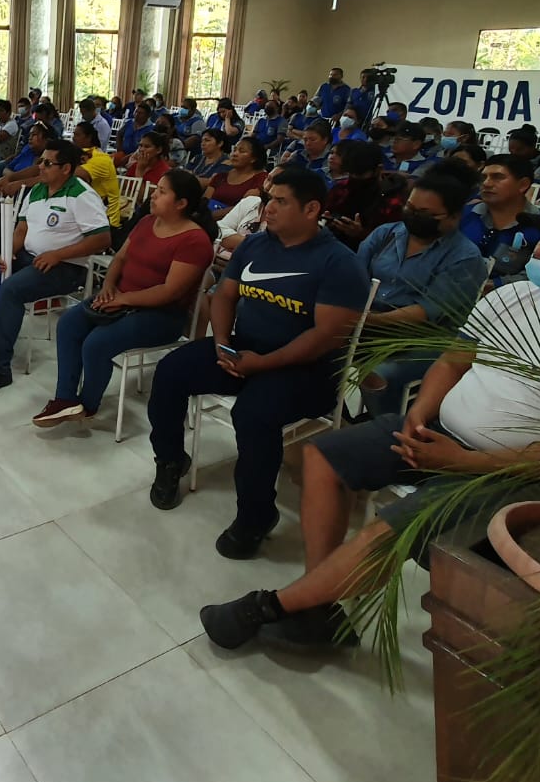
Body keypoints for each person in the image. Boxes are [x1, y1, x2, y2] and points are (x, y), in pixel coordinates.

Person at [199, 200, 540, 652]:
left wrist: (466, 461)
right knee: (324, 457)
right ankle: (320, 605)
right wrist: (420, 414)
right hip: (441, 430)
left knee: (390, 528)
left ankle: (270, 607)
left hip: (515, 473)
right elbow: (453, 361)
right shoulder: (513, 296)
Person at [145, 169, 371, 558]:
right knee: (171, 372)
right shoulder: (255, 246)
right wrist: (221, 344)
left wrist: (262, 364)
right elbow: (224, 296)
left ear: (312, 208)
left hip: (307, 370)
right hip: (243, 351)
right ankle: (170, 460)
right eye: (268, 200)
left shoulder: (339, 263)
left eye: (281, 201)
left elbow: (325, 337)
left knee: (253, 415)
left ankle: (256, 515)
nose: (268, 209)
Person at [32, 169, 217, 426]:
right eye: (156, 189)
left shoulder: (194, 241)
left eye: (162, 192)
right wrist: (108, 287)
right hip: (121, 300)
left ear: (181, 203)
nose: (153, 195)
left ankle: (87, 405)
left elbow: (169, 291)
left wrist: (122, 300)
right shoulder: (146, 223)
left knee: (96, 343)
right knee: (69, 324)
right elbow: (119, 258)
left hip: (161, 315)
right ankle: (65, 399)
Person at [0, 139, 111, 393]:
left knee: (11, 290)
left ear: (66, 168)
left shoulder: (81, 195)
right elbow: (22, 228)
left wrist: (57, 254)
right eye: (40, 161)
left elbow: (101, 239)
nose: (40, 167)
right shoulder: (38, 190)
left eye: (47, 163)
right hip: (29, 255)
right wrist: (8, 252)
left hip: (65, 266)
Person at [353, 168, 487, 416]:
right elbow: (353, 279)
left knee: (379, 374)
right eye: (410, 208)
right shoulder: (386, 234)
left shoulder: (464, 257)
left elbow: (426, 311)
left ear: (454, 217)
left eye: (424, 214)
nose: (413, 216)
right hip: (366, 324)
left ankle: (387, 428)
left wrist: (367, 321)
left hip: (422, 337)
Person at [460, 154, 540, 286]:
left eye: (498, 177)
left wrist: (496, 285)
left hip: (509, 299)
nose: (486, 183)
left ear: (523, 185)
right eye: (483, 177)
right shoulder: (464, 214)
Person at [322, 140, 407, 248]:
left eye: (360, 175)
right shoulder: (341, 188)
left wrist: (361, 234)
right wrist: (328, 221)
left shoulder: (392, 201)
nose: (355, 179)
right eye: (351, 174)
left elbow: (393, 243)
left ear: (378, 170)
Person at [71, 122, 122, 226]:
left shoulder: (101, 159)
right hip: (87, 212)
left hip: (106, 219)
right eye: (73, 134)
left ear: (89, 137)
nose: (73, 138)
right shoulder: (80, 154)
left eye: (77, 135)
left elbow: (68, 174)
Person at [204, 137, 269, 209]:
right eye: (234, 150)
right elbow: (205, 201)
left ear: (254, 158)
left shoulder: (262, 179)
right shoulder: (220, 176)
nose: (235, 154)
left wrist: (212, 216)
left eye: (242, 151)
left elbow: (243, 209)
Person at [0, 123, 50, 196]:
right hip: (10, 187)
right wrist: (11, 178)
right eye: (29, 135)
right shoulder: (27, 149)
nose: (29, 138)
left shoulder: (48, 158)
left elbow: (36, 173)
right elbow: (7, 169)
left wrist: (15, 181)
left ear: (45, 139)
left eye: (34, 135)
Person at [281, 119, 333, 185]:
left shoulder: (330, 159)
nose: (308, 143)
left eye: (313, 140)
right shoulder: (297, 155)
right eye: (305, 140)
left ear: (325, 140)